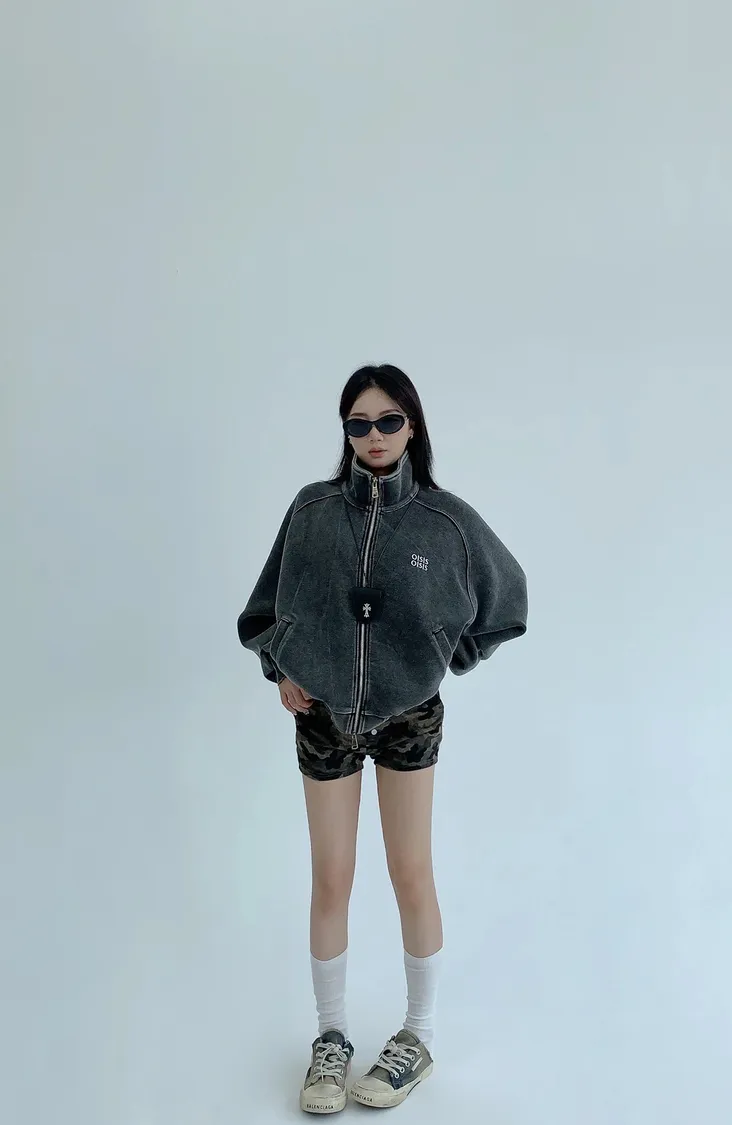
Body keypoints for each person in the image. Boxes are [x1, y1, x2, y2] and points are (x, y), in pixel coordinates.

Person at [237, 364, 527, 1113]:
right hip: (323, 714)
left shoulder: (446, 521)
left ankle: (417, 1038)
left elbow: (507, 600)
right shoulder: (312, 510)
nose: (374, 435)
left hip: (409, 716)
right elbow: (267, 606)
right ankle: (330, 1039)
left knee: (410, 871)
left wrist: (444, 656)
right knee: (331, 874)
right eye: (359, 423)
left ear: (412, 426)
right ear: (345, 431)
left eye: (388, 420)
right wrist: (282, 667)